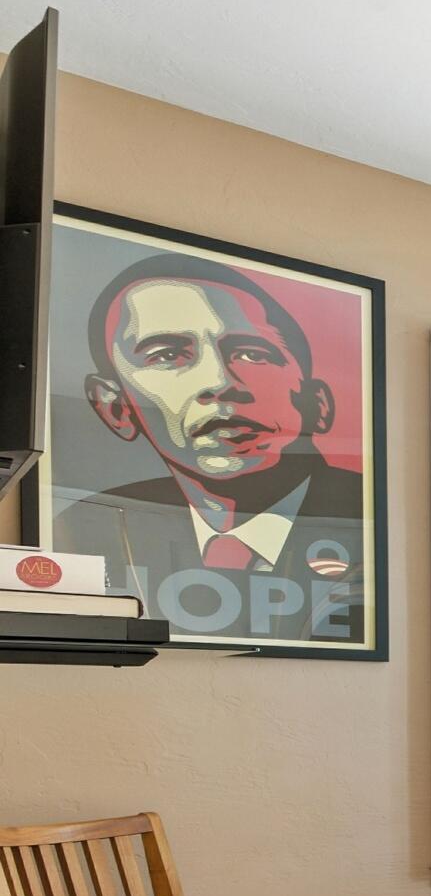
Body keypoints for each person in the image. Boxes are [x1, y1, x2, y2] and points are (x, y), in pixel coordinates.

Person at [50, 253, 368, 647]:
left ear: (317, 404)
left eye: (252, 353)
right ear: (114, 407)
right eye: (166, 355)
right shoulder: (83, 530)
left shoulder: (366, 526)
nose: (219, 381)